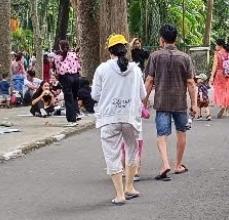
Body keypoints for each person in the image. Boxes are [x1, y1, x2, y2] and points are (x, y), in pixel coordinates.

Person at [91, 34, 147, 205]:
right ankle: (130, 186)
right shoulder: (136, 70)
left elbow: (95, 95)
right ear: (125, 49)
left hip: (109, 118)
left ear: (110, 51)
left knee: (112, 155)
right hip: (131, 117)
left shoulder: (102, 69)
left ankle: (120, 194)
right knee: (132, 150)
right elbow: (143, 95)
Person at [143, 23, 196, 181]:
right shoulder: (185, 57)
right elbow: (191, 83)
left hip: (162, 101)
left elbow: (149, 80)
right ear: (176, 39)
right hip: (180, 102)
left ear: (161, 40)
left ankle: (165, 163)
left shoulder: (155, 56)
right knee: (181, 132)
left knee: (162, 134)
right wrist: (193, 104)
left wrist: (144, 101)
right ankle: (178, 165)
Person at [53, 39, 83, 127]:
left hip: (66, 77)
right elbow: (78, 66)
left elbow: (58, 70)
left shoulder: (58, 57)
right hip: (75, 77)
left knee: (68, 99)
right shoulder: (73, 55)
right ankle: (76, 114)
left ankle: (71, 119)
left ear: (60, 47)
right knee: (74, 97)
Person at [210, 38, 229, 118]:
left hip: (220, 74)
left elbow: (215, 65)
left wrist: (211, 76)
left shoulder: (217, 54)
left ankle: (222, 104)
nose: (215, 46)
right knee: (228, 92)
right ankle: (228, 112)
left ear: (220, 45)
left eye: (216, 45)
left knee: (219, 91)